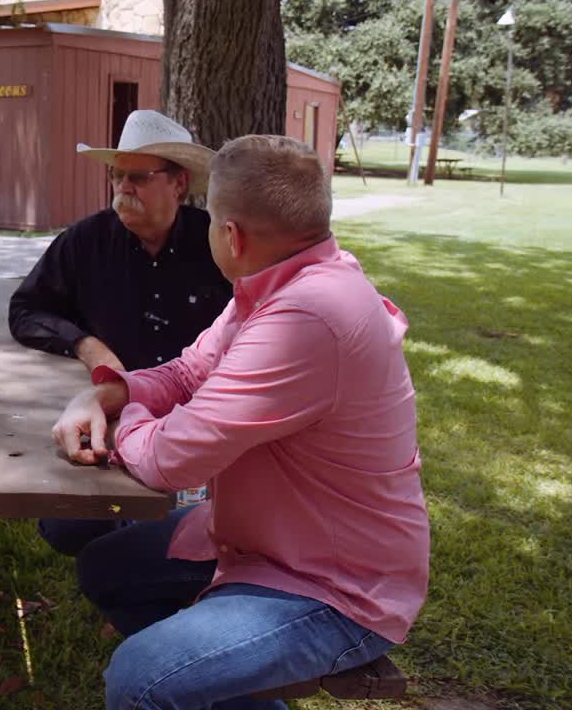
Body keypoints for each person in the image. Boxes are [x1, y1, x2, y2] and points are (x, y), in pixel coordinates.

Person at [51, 135, 430, 709]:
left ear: (231, 236)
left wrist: (122, 414)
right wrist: (107, 394)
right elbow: (185, 373)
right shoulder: (280, 284)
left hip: (336, 587)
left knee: (141, 678)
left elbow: (168, 461)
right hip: (264, 538)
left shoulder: (306, 317)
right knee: (108, 566)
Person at [8, 109, 233, 556]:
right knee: (64, 528)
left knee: (194, 534)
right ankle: (127, 551)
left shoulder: (217, 246)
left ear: (179, 183)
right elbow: (26, 309)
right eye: (118, 176)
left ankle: (151, 558)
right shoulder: (86, 241)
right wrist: (86, 345)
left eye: (139, 177)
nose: (124, 188)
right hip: (109, 414)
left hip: (199, 421)